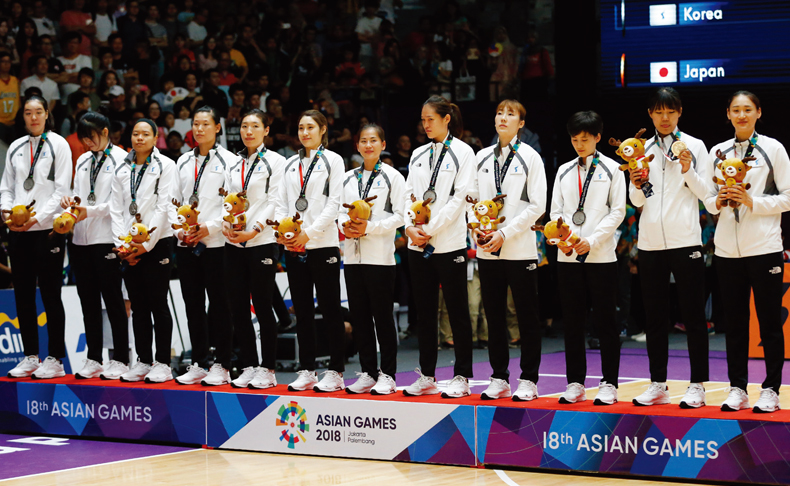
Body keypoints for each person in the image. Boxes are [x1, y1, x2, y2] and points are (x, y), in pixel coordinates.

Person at [706, 91, 790, 413]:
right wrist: (718, 200)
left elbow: (788, 196)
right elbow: (709, 199)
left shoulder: (773, 149)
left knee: (769, 322)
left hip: (765, 248)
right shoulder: (718, 152)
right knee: (735, 322)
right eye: (736, 110)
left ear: (758, 113)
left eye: (747, 110)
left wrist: (753, 201)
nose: (742, 115)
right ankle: (737, 388)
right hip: (727, 250)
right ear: (728, 114)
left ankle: (770, 389)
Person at [629, 88, 713, 408]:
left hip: (686, 241)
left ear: (680, 112)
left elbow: (707, 194)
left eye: (671, 111)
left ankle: (697, 385)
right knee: (655, 317)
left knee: (693, 316)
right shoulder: (641, 149)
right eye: (658, 112)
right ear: (650, 113)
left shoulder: (695, 146)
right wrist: (637, 183)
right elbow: (637, 200)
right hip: (650, 243)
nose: (665, 118)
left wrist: (688, 168)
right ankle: (658, 384)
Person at [472, 100, 547, 401]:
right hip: (487, 248)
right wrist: (474, 227)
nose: (503, 117)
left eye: (511, 114)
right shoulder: (480, 158)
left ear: (521, 124)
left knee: (527, 316)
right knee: (494, 314)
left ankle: (528, 378)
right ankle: (499, 377)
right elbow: (472, 198)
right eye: (500, 113)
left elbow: (538, 205)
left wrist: (505, 232)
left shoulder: (531, 157)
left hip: (520, 248)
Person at [402, 95, 476, 398]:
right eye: (423, 119)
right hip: (418, 244)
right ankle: (427, 374)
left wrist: (429, 228)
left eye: (431, 118)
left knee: (458, 310)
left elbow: (460, 199)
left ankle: (462, 375)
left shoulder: (464, 152)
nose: (426, 124)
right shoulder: (418, 154)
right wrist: (410, 227)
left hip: (449, 242)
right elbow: (408, 194)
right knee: (425, 311)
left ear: (447, 119)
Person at [551, 111, 625, 405]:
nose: (579, 144)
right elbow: (555, 211)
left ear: (597, 136)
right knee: (572, 322)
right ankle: (575, 383)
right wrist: (566, 238)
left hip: (601, 257)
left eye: (585, 139)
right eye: (574, 139)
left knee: (606, 321)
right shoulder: (564, 171)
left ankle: (609, 383)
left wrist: (591, 241)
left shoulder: (613, 169)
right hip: (567, 257)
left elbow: (617, 211)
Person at [275, 110, 346, 393]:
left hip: (323, 243)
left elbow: (335, 203)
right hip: (294, 246)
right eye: (301, 127)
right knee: (302, 310)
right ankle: (307, 370)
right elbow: (281, 203)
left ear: (323, 130)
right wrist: (285, 233)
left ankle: (337, 370)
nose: (305, 133)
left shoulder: (333, 160)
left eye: (310, 128)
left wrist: (308, 233)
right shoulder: (291, 163)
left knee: (330, 309)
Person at [3, 96, 72, 379]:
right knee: (22, 295)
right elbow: (6, 187)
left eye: (38, 112)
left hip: (48, 232)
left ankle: (54, 359)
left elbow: (61, 189)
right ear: (23, 117)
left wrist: (37, 218)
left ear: (47, 114)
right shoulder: (15, 148)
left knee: (51, 294)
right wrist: (8, 214)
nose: (33, 117)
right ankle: (30, 356)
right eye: (28, 113)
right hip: (18, 233)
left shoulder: (59, 145)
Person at [222, 109, 286, 389]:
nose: (248, 131)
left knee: (262, 306)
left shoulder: (277, 161)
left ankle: (267, 369)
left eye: (255, 126)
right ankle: (249, 365)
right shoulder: (235, 163)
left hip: (262, 241)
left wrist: (255, 229)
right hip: (233, 242)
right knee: (237, 307)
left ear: (266, 130)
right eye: (244, 126)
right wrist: (226, 225)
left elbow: (274, 201)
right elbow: (226, 199)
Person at [339, 124, 406, 395]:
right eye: (363, 141)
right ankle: (367, 373)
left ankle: (387, 375)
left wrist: (370, 227)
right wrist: (345, 226)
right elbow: (339, 212)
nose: (368, 145)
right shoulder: (347, 178)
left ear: (382, 144)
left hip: (380, 258)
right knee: (360, 317)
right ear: (357, 146)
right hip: (353, 258)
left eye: (373, 141)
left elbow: (401, 216)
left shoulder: (393, 177)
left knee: (382, 318)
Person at [63, 112, 130, 380]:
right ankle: (93, 358)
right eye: (83, 139)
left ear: (105, 131)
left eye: (91, 137)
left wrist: (87, 211)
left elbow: (118, 204)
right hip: (80, 239)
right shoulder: (81, 160)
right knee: (87, 302)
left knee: (113, 301)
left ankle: (122, 358)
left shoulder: (122, 159)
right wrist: (70, 203)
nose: (87, 143)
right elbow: (80, 194)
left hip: (106, 239)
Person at [109, 118, 177, 383]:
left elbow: (163, 208)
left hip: (157, 242)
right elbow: (116, 209)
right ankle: (144, 360)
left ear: (155, 137)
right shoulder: (122, 169)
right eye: (135, 133)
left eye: (145, 134)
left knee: (158, 303)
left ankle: (162, 362)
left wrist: (144, 246)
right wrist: (124, 245)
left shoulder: (165, 165)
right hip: (129, 246)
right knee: (137, 305)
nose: (139, 138)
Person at [172, 106, 236, 386]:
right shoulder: (183, 161)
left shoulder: (231, 161)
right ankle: (199, 362)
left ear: (217, 128)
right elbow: (174, 202)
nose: (199, 129)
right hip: (188, 245)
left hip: (217, 243)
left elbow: (234, 207)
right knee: (193, 304)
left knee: (221, 305)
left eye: (205, 124)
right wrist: (180, 230)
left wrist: (207, 228)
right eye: (196, 124)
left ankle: (222, 363)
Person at [0, 51, 19, 143]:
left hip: (13, 122)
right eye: (3, 61)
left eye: (8, 62)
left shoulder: (15, 81)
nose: (6, 64)